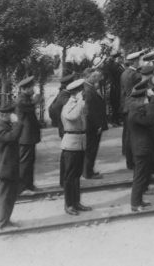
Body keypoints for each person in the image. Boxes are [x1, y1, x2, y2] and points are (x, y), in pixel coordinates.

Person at [60, 78, 92, 215]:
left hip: (79, 142)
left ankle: (76, 202)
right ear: (77, 92)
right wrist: (80, 101)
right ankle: (69, 204)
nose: (85, 93)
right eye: (82, 90)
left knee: (76, 175)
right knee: (69, 176)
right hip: (71, 144)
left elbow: (84, 117)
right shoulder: (69, 104)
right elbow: (72, 117)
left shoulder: (79, 103)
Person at [129, 80, 154, 212]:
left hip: (143, 147)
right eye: (144, 99)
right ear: (139, 99)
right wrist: (152, 105)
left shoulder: (137, 111)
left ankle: (139, 200)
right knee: (139, 177)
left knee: (143, 175)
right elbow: (149, 121)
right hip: (141, 148)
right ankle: (135, 204)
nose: (145, 102)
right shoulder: (135, 114)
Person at [0, 97, 23, 228]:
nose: (13, 116)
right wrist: (17, 123)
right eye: (11, 114)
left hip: (8, 168)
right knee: (5, 197)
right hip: (4, 169)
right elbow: (12, 137)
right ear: (3, 115)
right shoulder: (0, 128)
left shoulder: (4, 125)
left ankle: (6, 220)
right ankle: (2, 222)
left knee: (10, 196)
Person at [16, 76, 41, 193]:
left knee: (29, 161)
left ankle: (29, 184)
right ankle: (22, 187)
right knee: (25, 162)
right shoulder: (21, 100)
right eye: (31, 88)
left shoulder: (26, 98)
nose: (33, 90)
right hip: (25, 137)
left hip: (29, 136)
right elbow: (30, 106)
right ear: (24, 89)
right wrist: (36, 100)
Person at [82, 68, 108, 179]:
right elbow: (90, 111)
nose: (96, 78)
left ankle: (88, 170)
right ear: (89, 77)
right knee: (91, 149)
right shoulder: (88, 90)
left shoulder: (90, 88)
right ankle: (88, 172)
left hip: (93, 124)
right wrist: (98, 125)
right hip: (92, 125)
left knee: (91, 148)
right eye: (94, 76)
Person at [120, 51, 142, 170]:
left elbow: (123, 92)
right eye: (139, 60)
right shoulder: (135, 75)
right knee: (133, 135)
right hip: (134, 105)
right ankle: (132, 161)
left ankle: (130, 161)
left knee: (128, 135)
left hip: (127, 105)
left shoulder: (124, 73)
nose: (140, 62)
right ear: (135, 61)